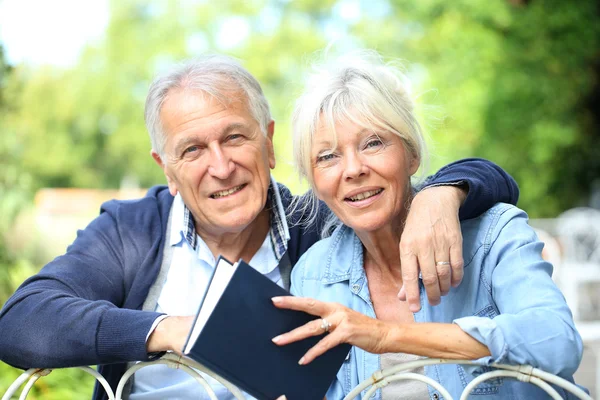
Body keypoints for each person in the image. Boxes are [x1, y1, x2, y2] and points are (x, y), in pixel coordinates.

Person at [0, 54, 519, 400]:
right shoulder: (134, 230)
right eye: (193, 150)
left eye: (235, 138)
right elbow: (21, 322)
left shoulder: (320, 224)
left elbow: (488, 179)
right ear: (167, 168)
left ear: (269, 143)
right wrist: (170, 329)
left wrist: (441, 193)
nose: (221, 167)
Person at [271, 50, 584, 399]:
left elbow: (558, 343)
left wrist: (386, 336)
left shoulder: (494, 235)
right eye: (328, 156)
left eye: (373, 143)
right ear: (313, 181)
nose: (353, 169)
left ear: (412, 154)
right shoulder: (312, 274)